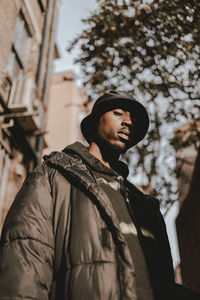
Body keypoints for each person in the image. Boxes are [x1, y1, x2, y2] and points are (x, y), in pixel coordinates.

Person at [0, 91, 199, 300]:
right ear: (94, 123)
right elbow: (25, 256)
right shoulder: (54, 175)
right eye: (118, 113)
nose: (128, 122)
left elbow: (163, 284)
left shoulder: (145, 205)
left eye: (134, 119)